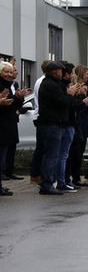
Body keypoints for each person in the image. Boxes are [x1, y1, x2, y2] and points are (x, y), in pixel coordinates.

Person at [36, 62, 69, 195]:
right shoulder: (50, 85)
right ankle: (47, 184)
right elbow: (62, 102)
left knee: (51, 155)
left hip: (55, 123)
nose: (62, 73)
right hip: (51, 124)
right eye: (61, 71)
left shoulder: (54, 84)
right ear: (55, 72)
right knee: (51, 155)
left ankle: (48, 183)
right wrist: (70, 95)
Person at [0, 60, 30, 195]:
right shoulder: (3, 85)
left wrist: (18, 97)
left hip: (9, 123)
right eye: (6, 72)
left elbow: (12, 103)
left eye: (11, 72)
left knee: (5, 154)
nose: (9, 74)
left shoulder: (12, 84)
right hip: (3, 124)